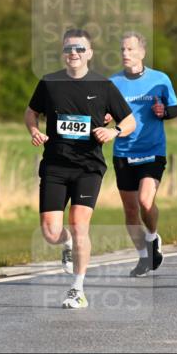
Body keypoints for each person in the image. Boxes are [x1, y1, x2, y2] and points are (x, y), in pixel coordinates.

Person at [25, 29, 136, 309]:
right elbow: (31, 112)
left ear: (90, 53)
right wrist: (34, 131)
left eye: (79, 49)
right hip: (55, 165)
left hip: (88, 166)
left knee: (79, 223)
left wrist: (113, 132)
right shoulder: (49, 83)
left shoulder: (103, 86)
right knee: (51, 232)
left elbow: (130, 121)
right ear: (63, 53)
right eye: (68, 49)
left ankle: (77, 289)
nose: (73, 53)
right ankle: (67, 244)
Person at [108, 32, 177, 277]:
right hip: (123, 152)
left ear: (142, 52)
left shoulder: (160, 79)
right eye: (122, 49)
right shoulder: (112, 82)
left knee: (146, 201)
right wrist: (105, 118)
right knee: (130, 210)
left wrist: (163, 112)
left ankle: (152, 237)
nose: (125, 54)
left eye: (130, 49)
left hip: (152, 150)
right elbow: (103, 114)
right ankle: (143, 257)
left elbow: (175, 108)